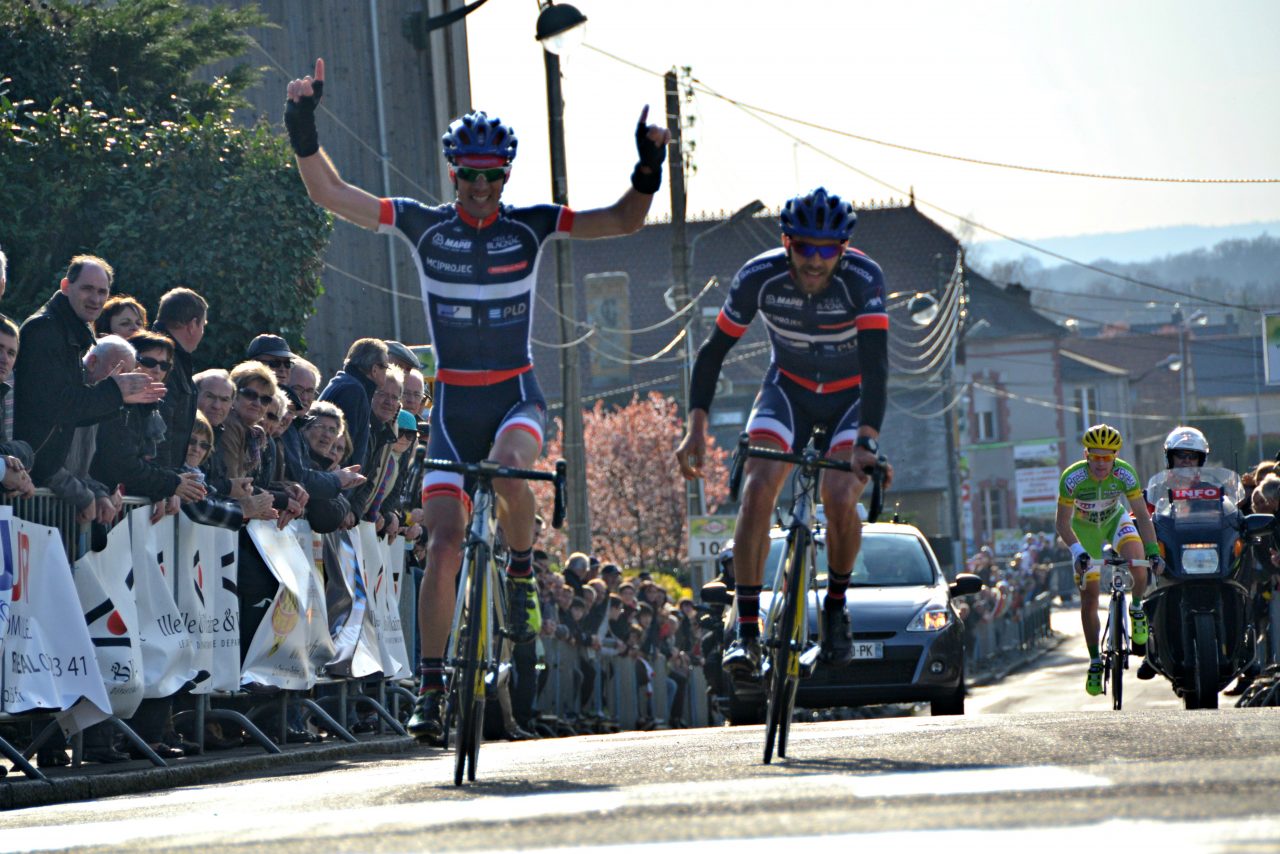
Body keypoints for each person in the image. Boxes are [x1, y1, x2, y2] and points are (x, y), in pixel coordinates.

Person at [284, 57, 671, 744]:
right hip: (454, 408)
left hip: (515, 396)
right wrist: (302, 117)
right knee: (442, 543)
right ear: (453, 173)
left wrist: (648, 165)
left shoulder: (530, 226)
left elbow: (623, 221)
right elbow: (330, 192)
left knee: (509, 459)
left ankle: (520, 571)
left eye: (496, 175)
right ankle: (432, 690)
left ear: (507, 176)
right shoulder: (424, 227)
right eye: (472, 175)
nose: (484, 187)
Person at [674, 187, 890, 679]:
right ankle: (746, 631)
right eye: (804, 248)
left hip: (849, 396)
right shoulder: (759, 277)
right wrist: (696, 427)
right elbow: (712, 353)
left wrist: (867, 442)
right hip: (787, 391)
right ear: (786, 242)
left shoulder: (863, 279)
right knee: (757, 487)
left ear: (842, 250)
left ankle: (836, 607)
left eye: (827, 250)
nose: (815, 261)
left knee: (840, 494)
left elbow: (877, 366)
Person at [15, 255, 167, 485]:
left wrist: (122, 399)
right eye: (87, 289)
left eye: (102, 292)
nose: (95, 299)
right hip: (29, 474)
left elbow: (75, 412)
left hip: (41, 475)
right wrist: (114, 391)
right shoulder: (44, 329)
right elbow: (57, 405)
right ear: (66, 287)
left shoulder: (74, 331)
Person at [1055, 424, 1160, 697]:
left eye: (1107, 456)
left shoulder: (1125, 473)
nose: (1101, 463)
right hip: (1083, 532)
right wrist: (1078, 551)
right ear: (1086, 454)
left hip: (1114, 520)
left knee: (1137, 561)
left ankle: (1136, 608)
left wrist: (1153, 552)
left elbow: (1142, 515)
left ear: (1115, 456)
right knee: (1089, 598)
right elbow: (1062, 523)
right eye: (1096, 456)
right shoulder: (1072, 478)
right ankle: (1094, 662)